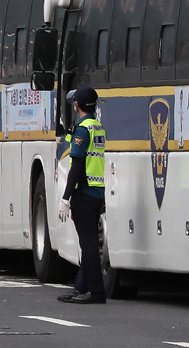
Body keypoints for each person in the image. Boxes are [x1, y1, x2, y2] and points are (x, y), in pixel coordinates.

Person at [59, 87, 106, 304]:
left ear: (77, 105)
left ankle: (96, 291)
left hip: (84, 192)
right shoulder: (97, 126)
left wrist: (65, 197)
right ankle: (81, 287)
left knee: (87, 244)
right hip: (97, 191)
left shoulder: (82, 130)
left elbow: (76, 166)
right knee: (88, 242)